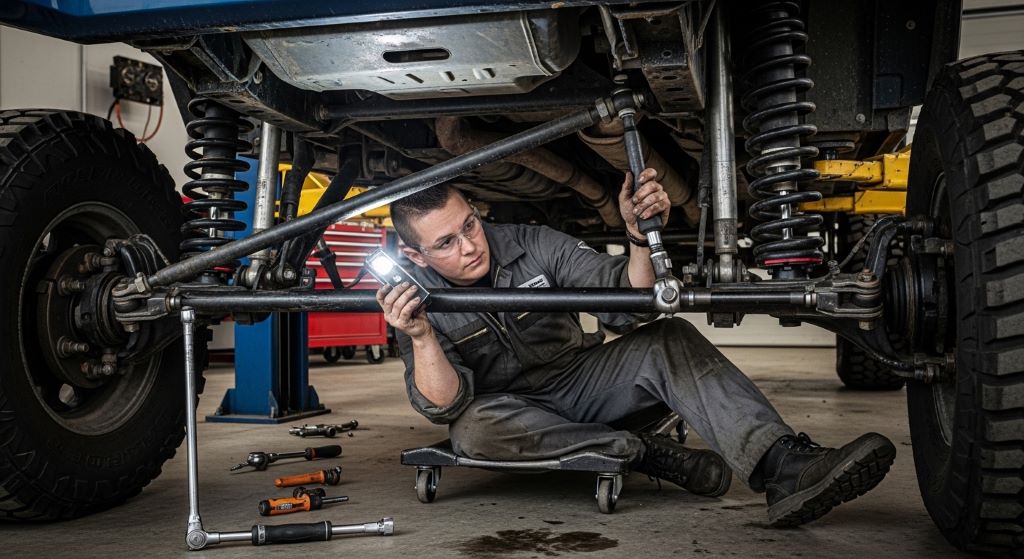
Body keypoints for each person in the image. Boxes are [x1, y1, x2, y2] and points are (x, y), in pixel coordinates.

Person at [376, 168, 896, 526]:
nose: (470, 245)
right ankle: (644, 453)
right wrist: (420, 336)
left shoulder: (533, 243)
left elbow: (631, 304)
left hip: (581, 380)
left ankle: (784, 466)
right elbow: (444, 403)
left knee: (667, 338)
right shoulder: (413, 300)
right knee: (470, 430)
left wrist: (637, 238)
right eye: (445, 243)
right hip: (510, 410)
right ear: (417, 258)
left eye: (469, 224)